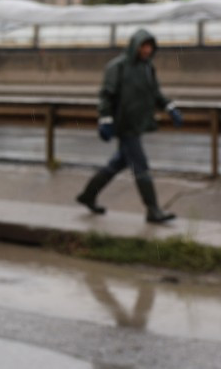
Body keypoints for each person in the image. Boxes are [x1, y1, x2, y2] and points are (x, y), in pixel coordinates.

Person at [76, 28, 183, 224]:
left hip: (138, 123)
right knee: (141, 166)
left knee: (118, 163)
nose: (147, 50)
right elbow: (106, 95)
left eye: (150, 46)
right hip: (124, 125)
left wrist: (170, 107)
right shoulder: (117, 67)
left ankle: (87, 196)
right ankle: (153, 210)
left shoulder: (147, 68)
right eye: (144, 46)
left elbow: (156, 93)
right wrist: (105, 119)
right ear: (135, 46)